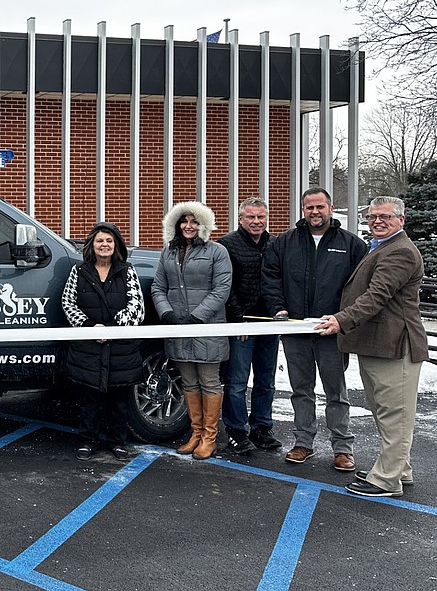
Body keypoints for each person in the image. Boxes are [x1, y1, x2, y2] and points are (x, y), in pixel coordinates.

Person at [315, 197, 427, 497]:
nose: (377, 221)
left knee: (395, 415)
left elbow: (377, 296)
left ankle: (386, 480)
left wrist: (341, 319)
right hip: (378, 345)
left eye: (385, 217)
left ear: (401, 220)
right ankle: (398, 469)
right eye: (373, 216)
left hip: (395, 346)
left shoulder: (400, 251)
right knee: (386, 412)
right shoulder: (382, 246)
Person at [263, 187, 366, 472]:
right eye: (309, 208)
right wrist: (278, 308)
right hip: (296, 329)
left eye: (320, 207)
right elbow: (271, 278)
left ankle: (343, 448)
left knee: (336, 391)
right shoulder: (284, 242)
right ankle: (303, 443)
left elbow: (361, 286)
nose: (315, 212)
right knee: (301, 389)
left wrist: (343, 319)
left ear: (331, 208)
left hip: (331, 331)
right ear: (302, 210)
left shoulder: (351, 244)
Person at [151, 201, 232, 460]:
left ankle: (210, 437)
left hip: (207, 328)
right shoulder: (168, 252)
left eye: (194, 221)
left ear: (203, 224)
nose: (188, 226)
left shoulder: (217, 251)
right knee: (188, 381)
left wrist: (197, 317)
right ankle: (195, 433)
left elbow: (221, 290)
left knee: (209, 381)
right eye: (184, 221)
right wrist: (167, 313)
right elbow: (158, 287)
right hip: (179, 329)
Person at [61, 222, 145, 462]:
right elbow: (68, 304)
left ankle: (117, 442)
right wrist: (90, 327)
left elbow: (137, 307)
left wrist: (113, 328)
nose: (104, 245)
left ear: (116, 245)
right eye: (100, 241)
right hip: (88, 347)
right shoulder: (79, 271)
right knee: (89, 400)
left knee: (118, 401)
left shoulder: (127, 271)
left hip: (120, 349)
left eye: (109, 241)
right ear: (92, 245)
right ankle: (89, 441)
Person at [218, 197, 282, 454]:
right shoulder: (227, 245)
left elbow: (280, 280)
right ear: (240, 218)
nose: (256, 222)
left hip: (269, 323)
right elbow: (226, 286)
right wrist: (238, 319)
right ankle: (235, 430)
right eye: (251, 217)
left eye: (261, 217)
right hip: (242, 324)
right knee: (236, 382)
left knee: (266, 380)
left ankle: (261, 427)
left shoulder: (276, 244)